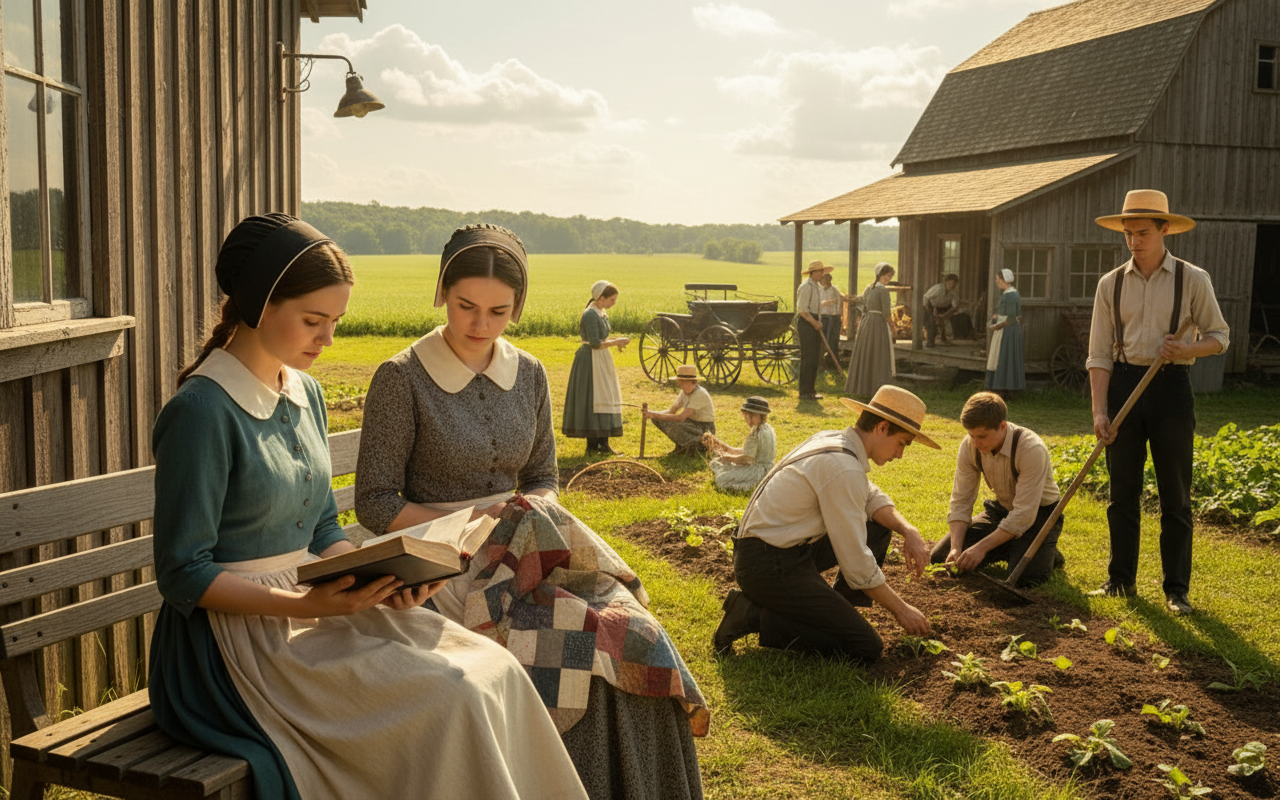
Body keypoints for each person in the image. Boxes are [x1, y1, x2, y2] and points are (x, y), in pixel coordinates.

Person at [149, 214, 587, 800]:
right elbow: (184, 573)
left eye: (334, 322)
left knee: (494, 670)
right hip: (235, 648)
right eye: (313, 321)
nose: (327, 340)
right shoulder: (203, 411)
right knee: (450, 694)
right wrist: (307, 602)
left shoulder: (304, 392)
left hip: (314, 606)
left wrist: (378, 575)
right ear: (257, 304)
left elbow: (326, 525)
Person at [355, 224, 708, 800]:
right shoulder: (402, 377)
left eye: (498, 311)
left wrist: (526, 516)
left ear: (518, 305)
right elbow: (374, 502)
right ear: (442, 291)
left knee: (631, 630)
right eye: (466, 306)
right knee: (575, 645)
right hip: (442, 556)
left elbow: (544, 476)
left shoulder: (531, 373)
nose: (480, 324)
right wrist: (472, 529)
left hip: (530, 544)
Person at [713, 386, 940, 661]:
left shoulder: (835, 441)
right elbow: (857, 564)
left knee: (879, 527)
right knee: (865, 647)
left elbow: (869, 496)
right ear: (881, 428)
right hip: (766, 566)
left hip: (778, 552)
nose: (900, 454)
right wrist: (901, 609)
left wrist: (908, 530)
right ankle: (751, 615)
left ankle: (837, 611)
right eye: (902, 443)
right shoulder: (843, 466)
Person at [1085, 190, 1230, 615]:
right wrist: (1100, 410)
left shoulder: (1193, 279)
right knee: (1121, 492)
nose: (1134, 241)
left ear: (1165, 229)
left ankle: (1176, 590)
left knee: (1175, 495)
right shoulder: (1109, 284)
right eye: (1128, 234)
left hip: (1171, 389)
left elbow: (1219, 338)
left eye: (1143, 233)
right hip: (1125, 386)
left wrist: (1186, 350)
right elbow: (1097, 355)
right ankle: (1120, 581)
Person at [932, 391, 1066, 585]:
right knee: (941, 557)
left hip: (1040, 515)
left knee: (1027, 579)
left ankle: (1048, 552)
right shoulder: (970, 445)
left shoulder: (1030, 449)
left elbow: (1024, 515)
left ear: (1002, 426)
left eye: (982, 436)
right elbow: (961, 500)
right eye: (971, 435)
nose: (976, 443)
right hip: (1003, 510)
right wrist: (956, 547)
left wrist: (981, 548)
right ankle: (1012, 545)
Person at [563, 280, 629, 455]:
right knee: (593, 399)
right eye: (612, 299)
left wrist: (616, 344)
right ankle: (592, 445)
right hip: (590, 360)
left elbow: (601, 339)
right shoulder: (590, 314)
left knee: (605, 396)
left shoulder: (601, 311)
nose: (614, 302)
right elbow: (594, 343)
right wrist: (617, 342)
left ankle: (603, 443)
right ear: (601, 298)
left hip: (601, 358)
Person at [703, 396, 777, 493]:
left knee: (722, 478)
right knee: (717, 463)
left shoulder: (756, 433)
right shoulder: (767, 428)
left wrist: (728, 459)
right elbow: (746, 451)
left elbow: (746, 459)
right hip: (769, 468)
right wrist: (721, 445)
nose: (745, 418)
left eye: (746, 415)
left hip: (757, 472)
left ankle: (750, 485)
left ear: (755, 415)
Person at [844, 262, 896, 396]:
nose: (888, 279)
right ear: (879, 275)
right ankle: (877, 388)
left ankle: (865, 386)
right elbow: (886, 313)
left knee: (868, 353)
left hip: (866, 323)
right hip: (877, 323)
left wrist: (852, 299)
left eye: (890, 276)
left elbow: (861, 299)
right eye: (886, 275)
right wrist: (893, 325)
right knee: (878, 354)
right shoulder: (882, 290)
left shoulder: (869, 287)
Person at [644, 363, 717, 456]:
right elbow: (672, 411)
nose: (683, 386)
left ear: (694, 382)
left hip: (704, 428)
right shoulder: (684, 392)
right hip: (691, 423)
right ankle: (682, 446)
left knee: (674, 423)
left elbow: (680, 417)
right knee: (658, 419)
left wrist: (653, 414)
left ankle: (698, 446)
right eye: (681, 383)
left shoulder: (699, 394)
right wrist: (653, 414)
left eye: (686, 383)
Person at [795, 260, 831, 399]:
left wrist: (818, 322)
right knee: (808, 358)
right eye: (821, 271)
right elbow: (803, 310)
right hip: (806, 323)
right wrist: (814, 323)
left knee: (815, 358)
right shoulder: (806, 286)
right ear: (814, 272)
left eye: (823, 271)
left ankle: (811, 390)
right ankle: (804, 392)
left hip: (814, 321)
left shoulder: (816, 286)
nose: (822, 274)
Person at [986, 268, 1025, 395]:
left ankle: (1001, 389)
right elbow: (1011, 315)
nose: (997, 282)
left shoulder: (1009, 296)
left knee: (1002, 358)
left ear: (1004, 280)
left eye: (998, 279)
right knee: (1007, 358)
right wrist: (997, 317)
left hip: (1006, 331)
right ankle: (1008, 390)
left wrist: (994, 327)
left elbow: (1010, 318)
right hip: (1010, 330)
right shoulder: (1013, 293)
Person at [923, 273, 959, 347]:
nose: (951, 285)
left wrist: (945, 315)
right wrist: (932, 310)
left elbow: (955, 306)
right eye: (949, 283)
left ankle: (944, 338)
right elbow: (926, 298)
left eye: (953, 284)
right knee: (932, 321)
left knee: (943, 322)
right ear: (946, 282)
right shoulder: (938, 288)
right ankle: (930, 342)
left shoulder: (954, 292)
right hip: (929, 304)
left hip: (942, 307)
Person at [818, 271, 846, 368]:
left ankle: (832, 363)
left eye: (823, 279)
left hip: (833, 318)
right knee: (821, 340)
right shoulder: (819, 289)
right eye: (821, 279)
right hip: (823, 317)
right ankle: (820, 363)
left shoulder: (834, 290)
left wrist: (824, 303)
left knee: (832, 341)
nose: (821, 281)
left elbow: (836, 299)